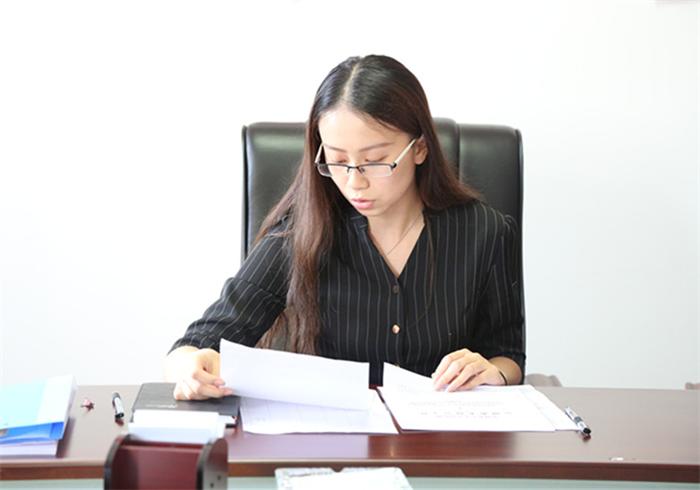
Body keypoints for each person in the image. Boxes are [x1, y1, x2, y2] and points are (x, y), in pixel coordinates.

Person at [165, 54, 524, 400]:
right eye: (337, 161)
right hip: (334, 437)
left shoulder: (485, 232)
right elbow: (196, 345)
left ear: (420, 149)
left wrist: (491, 371)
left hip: (442, 436)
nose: (355, 183)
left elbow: (508, 356)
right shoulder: (300, 234)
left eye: (375, 161)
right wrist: (190, 368)